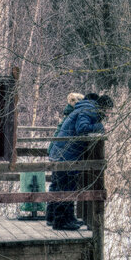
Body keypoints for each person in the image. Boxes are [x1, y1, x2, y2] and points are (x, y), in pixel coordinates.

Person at [48, 92, 108, 230]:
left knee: (59, 186)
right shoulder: (88, 111)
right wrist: (101, 127)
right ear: (103, 107)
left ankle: (56, 218)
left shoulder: (82, 109)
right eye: (108, 111)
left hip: (60, 153)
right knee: (67, 187)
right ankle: (62, 222)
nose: (108, 115)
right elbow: (82, 129)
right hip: (66, 156)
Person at [46, 93, 84, 226]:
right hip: (62, 155)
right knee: (64, 187)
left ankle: (51, 216)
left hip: (55, 152)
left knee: (55, 185)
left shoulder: (67, 114)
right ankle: (61, 218)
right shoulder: (73, 115)